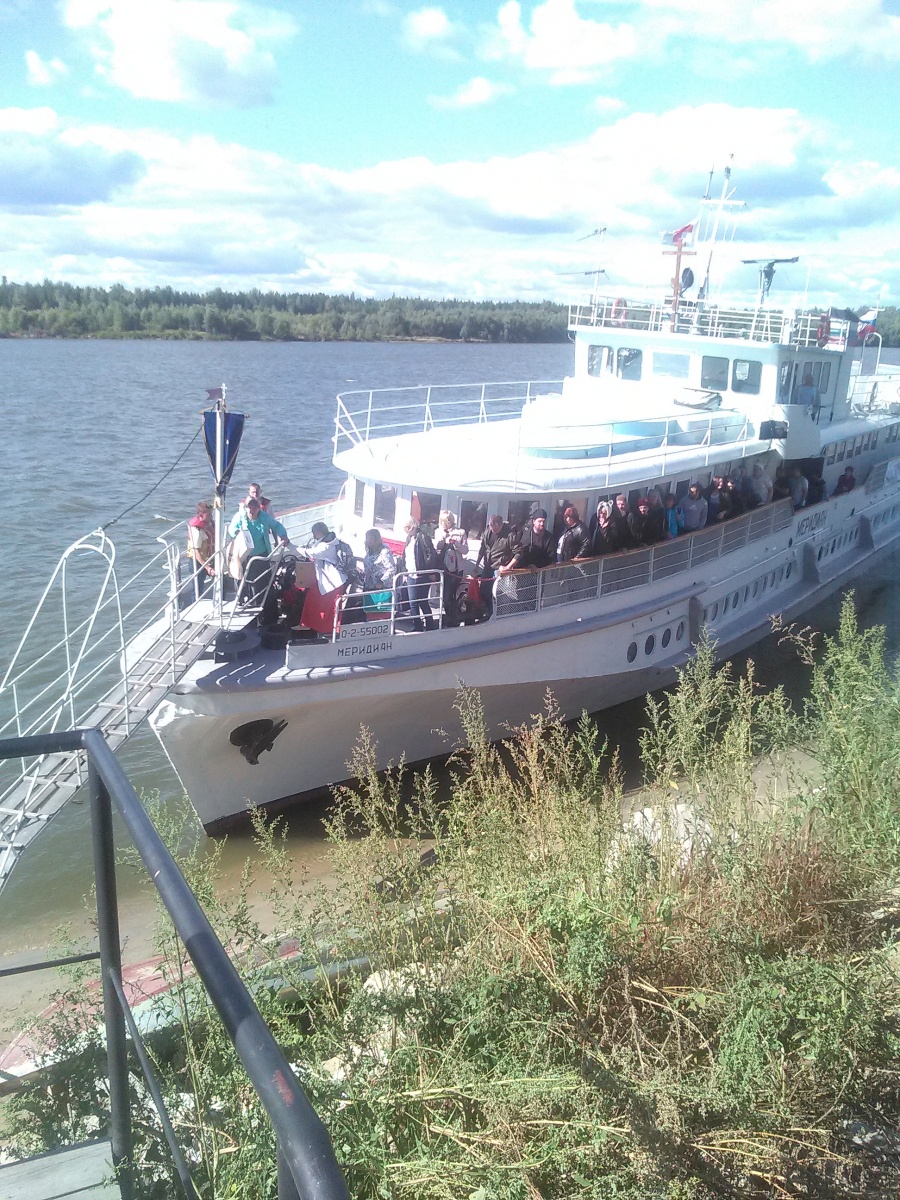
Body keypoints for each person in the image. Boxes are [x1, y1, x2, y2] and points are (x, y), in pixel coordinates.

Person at [228, 497, 289, 603]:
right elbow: (231, 528)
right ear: (246, 507)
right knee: (242, 579)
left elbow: (277, 526)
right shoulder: (240, 516)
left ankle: (259, 602)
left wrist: (283, 535)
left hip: (261, 555)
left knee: (260, 582)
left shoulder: (264, 517)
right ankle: (241, 600)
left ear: (258, 508)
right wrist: (237, 532)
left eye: (254, 507)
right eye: (249, 507)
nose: (252, 510)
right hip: (244, 556)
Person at [300, 521, 347, 634]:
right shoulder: (330, 541)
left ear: (318, 532)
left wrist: (293, 547)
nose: (313, 536)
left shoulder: (326, 546)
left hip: (332, 582)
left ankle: (329, 630)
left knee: (330, 607)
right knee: (313, 599)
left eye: (313, 533)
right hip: (327, 580)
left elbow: (310, 553)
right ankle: (309, 625)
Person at [402, 518, 439, 631]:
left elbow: (431, 554)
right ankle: (417, 626)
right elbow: (405, 556)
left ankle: (429, 624)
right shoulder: (409, 538)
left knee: (422, 601)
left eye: (407, 527)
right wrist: (405, 572)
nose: (405, 530)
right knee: (412, 602)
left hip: (422, 574)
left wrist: (427, 570)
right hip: (411, 574)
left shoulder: (423, 537)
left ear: (412, 526)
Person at [362, 528, 396, 617]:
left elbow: (391, 568)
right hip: (369, 585)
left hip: (381, 586)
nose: (368, 540)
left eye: (371, 538)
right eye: (367, 538)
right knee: (370, 611)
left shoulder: (384, 552)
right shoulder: (369, 552)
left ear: (376, 539)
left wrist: (381, 581)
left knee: (382, 611)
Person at [186, 500, 215, 596]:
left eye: (211, 514)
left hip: (209, 558)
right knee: (197, 590)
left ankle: (219, 599)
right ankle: (195, 602)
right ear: (201, 515)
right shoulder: (197, 530)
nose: (211, 516)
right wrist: (207, 568)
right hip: (198, 562)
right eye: (209, 514)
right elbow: (196, 552)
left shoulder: (210, 524)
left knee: (223, 581)